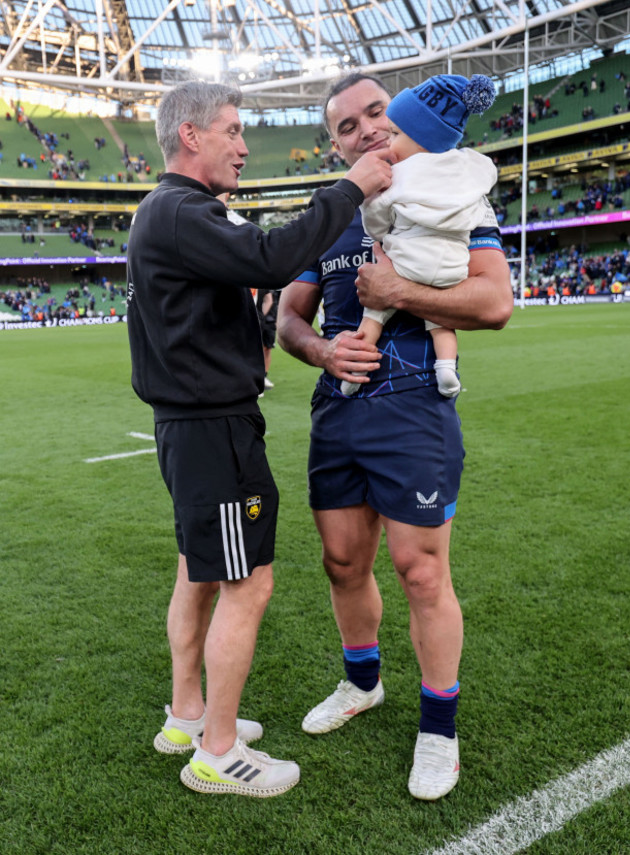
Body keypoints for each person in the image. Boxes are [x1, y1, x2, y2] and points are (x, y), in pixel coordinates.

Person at [126, 80, 391, 799]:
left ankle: (188, 715)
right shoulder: (183, 210)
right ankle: (216, 749)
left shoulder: (168, 212)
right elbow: (274, 255)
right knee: (249, 582)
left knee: (199, 570)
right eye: (234, 132)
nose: (245, 147)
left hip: (190, 426)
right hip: (214, 428)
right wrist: (348, 187)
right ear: (191, 136)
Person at [277, 73, 512, 800]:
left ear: (399, 118)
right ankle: (362, 683)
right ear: (336, 142)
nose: (366, 130)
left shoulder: (455, 194)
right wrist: (321, 350)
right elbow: (287, 317)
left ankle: (439, 730)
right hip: (338, 410)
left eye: (375, 112)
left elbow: (495, 301)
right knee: (342, 561)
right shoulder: (332, 215)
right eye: (346, 126)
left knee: (420, 570)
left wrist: (399, 295)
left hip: (414, 407)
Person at [340, 74, 498, 399]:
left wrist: (395, 282)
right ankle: (446, 369)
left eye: (388, 125)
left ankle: (355, 369)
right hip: (451, 269)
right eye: (347, 127)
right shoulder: (469, 175)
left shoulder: (398, 178)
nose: (377, 132)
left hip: (405, 264)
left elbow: (497, 307)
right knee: (441, 325)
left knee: (373, 315)